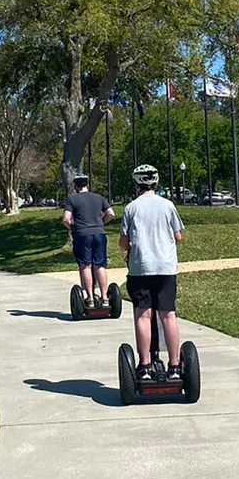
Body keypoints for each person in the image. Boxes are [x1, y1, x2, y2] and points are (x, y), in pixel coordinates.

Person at [119, 164, 185, 382]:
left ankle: (145, 366)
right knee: (168, 314)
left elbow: (123, 243)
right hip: (166, 268)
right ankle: (175, 366)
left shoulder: (131, 208)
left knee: (143, 315)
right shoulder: (168, 206)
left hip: (140, 268)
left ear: (137, 184)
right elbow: (178, 237)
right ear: (156, 183)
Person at [62, 174, 115, 307]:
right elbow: (111, 214)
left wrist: (72, 228)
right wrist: (101, 222)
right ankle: (104, 298)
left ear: (75, 186)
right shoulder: (99, 198)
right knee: (100, 265)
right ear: (87, 185)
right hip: (99, 234)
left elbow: (65, 219)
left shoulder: (72, 200)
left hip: (82, 235)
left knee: (86, 265)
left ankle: (90, 298)